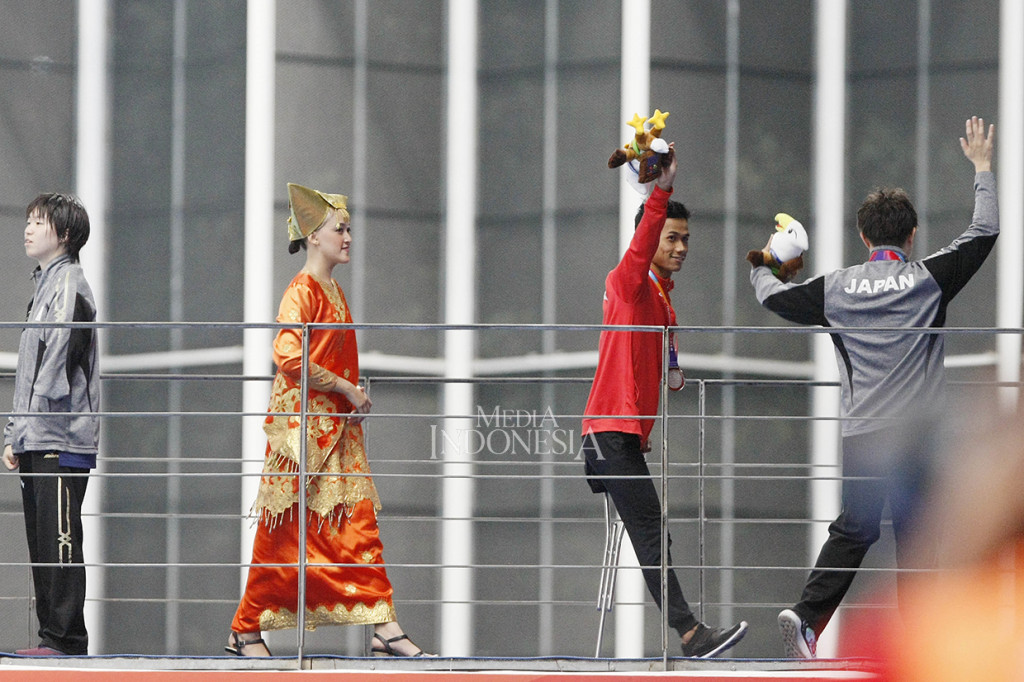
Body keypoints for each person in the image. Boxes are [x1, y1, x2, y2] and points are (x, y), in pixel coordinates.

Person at [749, 116, 997, 659]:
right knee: (919, 541)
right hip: (919, 436)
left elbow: (772, 298)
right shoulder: (929, 277)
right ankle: (922, 643)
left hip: (862, 432)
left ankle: (808, 616)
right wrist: (981, 168)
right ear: (911, 236)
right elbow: (983, 232)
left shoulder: (836, 289)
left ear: (864, 238)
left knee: (856, 528)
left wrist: (767, 263)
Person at [226, 183, 430, 658]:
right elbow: (288, 357)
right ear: (314, 237)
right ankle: (247, 628)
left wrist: (347, 396)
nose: (348, 237)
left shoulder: (332, 290)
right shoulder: (301, 292)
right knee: (283, 536)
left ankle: (382, 623)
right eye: (340, 229)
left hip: (333, 434)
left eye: (349, 229)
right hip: (302, 439)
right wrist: (345, 389)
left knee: (355, 525)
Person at [582, 147, 748, 658]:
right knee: (653, 533)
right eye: (671, 239)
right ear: (649, 239)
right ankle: (693, 635)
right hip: (608, 435)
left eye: (685, 240)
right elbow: (639, 252)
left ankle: (691, 634)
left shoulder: (657, 296)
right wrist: (663, 191)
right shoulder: (628, 284)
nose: (681, 248)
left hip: (620, 436)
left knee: (654, 533)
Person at [3, 193, 99, 656]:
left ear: (64, 234)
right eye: (28, 219)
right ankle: (51, 638)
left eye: (37, 222)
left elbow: (59, 359)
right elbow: (29, 371)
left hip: (61, 438)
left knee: (60, 540)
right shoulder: (44, 287)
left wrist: (26, 428)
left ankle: (65, 639)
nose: (27, 228)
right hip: (38, 435)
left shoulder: (69, 285)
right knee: (42, 541)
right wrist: (14, 434)